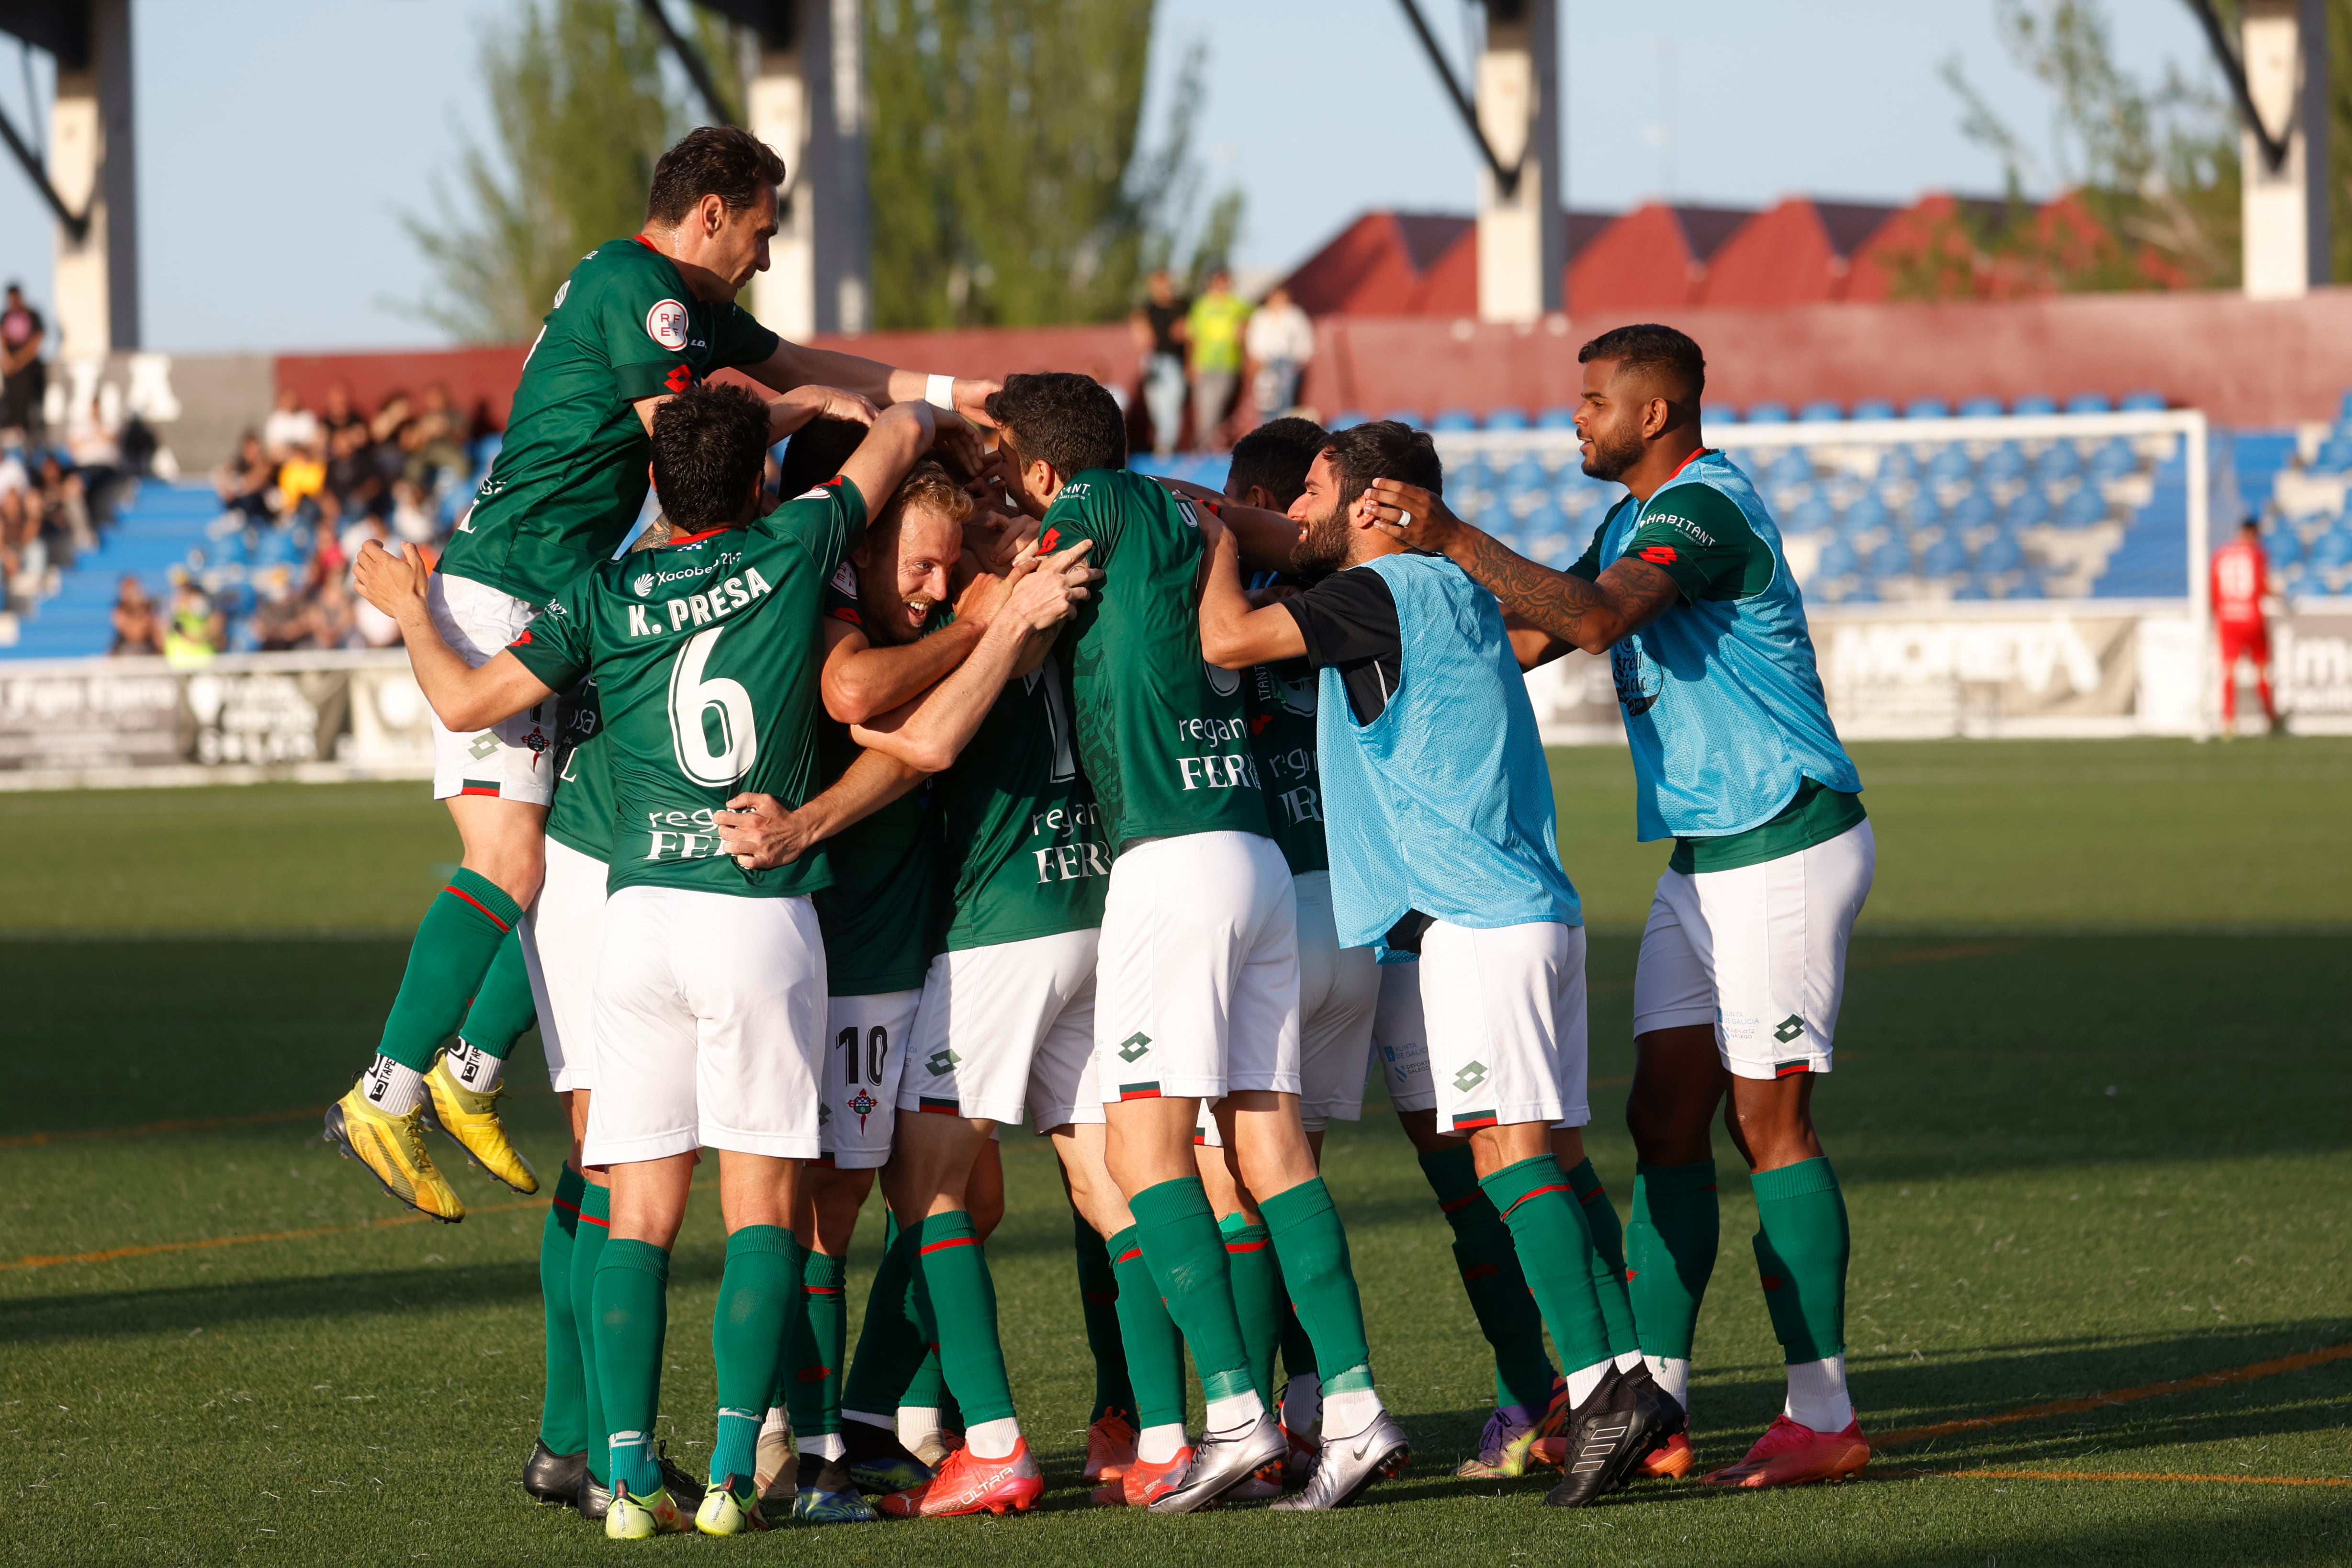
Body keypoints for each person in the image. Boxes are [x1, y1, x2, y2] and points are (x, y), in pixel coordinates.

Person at [354, 384, 1080, 1540]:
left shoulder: (602, 590)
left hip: (638, 919)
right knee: (764, 1208)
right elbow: (891, 437)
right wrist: (920, 407)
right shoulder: (798, 542)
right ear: (759, 484)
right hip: (757, 908)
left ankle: (629, 1475)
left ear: (654, 485)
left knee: (633, 1212)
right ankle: (743, 1468)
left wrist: (406, 606)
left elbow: (466, 697)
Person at [321, 123, 1006, 1244]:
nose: (764, 255)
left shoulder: (676, 296)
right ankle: (387, 1090)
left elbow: (799, 364)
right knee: (508, 854)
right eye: (760, 231)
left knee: (584, 835)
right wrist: (830, 425)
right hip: (506, 590)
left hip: (561, 589)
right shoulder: (638, 286)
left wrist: (936, 389)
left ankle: (471, 1064)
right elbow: (689, 438)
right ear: (709, 213)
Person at [1369, 323, 1875, 1490]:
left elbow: (1594, 620)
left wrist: (1447, 533)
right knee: (1659, 1124)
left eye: (1591, 400)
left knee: (1769, 1126)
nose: (1575, 418)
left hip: (1784, 842)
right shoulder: (1627, 521)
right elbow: (1531, 634)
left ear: (1654, 414)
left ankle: (1822, 1409)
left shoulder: (1698, 509)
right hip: (1706, 859)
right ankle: (1654, 1397)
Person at [988, 370, 1405, 1512]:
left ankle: (1230, 1410)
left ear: (1040, 471)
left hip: (1165, 859)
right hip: (1255, 856)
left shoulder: (1094, 507)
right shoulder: (1187, 509)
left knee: (1142, 1150)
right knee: (1268, 1144)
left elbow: (1021, 613)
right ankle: (1354, 1406)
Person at [2212, 519, 2280, 735]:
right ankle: (2271, 719)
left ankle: (2229, 722)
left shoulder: (2220, 554)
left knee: (2228, 671)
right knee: (2261, 671)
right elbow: (2263, 586)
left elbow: (2214, 592)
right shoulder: (2257, 553)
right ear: (2253, 533)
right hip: (2252, 618)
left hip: (2227, 619)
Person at [1185, 270, 1250, 452]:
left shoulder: (1237, 305)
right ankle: (1206, 447)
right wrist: (1191, 363)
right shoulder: (1202, 305)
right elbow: (1193, 336)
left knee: (1216, 406)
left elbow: (1252, 317)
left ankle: (1209, 446)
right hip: (1204, 364)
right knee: (1205, 408)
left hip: (1228, 364)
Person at [1135, 271, 1189, 458]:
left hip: (1174, 361)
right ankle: (1162, 444)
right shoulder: (1148, 309)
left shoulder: (1182, 306)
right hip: (1154, 360)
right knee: (1157, 406)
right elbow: (1141, 335)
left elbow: (1185, 333)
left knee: (1172, 404)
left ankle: (1166, 446)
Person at [1244, 286, 1314, 422]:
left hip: (1287, 363)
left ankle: (1283, 433)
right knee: (1267, 401)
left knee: (1286, 400)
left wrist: (1299, 360)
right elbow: (1253, 339)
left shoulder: (1295, 316)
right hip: (1265, 363)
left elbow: (1305, 339)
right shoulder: (1261, 316)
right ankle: (1265, 433)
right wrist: (1257, 359)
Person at [0, 283, 45, 440]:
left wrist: (19, 361)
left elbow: (37, 341)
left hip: (28, 373)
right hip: (11, 377)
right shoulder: (5, 316)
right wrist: (7, 361)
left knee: (29, 408)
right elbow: (2, 340)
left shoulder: (32, 316)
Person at [109, 575, 162, 655]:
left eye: (134, 589)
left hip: (149, 648)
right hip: (127, 650)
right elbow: (134, 634)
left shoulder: (148, 607)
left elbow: (155, 632)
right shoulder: (120, 609)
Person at [262, 388, 321, 461]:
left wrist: (301, 450)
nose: (290, 402)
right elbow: (273, 447)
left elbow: (316, 442)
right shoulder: (275, 420)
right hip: (283, 462)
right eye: (288, 399)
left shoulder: (307, 417)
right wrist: (291, 453)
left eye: (292, 399)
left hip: (307, 458)